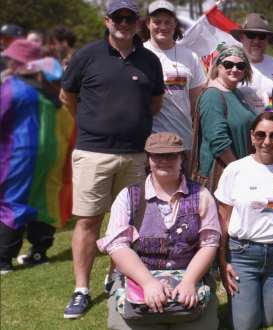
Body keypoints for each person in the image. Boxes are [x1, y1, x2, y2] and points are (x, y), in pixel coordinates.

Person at [60, 0, 165, 318]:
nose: (123, 22)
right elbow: (68, 96)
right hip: (93, 152)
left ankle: (115, 276)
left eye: (129, 18)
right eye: (117, 17)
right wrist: (94, 124)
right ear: (107, 21)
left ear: (138, 24)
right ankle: (81, 289)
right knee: (89, 220)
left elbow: (155, 102)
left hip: (134, 154)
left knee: (129, 223)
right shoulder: (86, 55)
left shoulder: (149, 60)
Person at [97, 132, 221, 330]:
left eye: (171, 155)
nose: (164, 161)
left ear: (182, 157)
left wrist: (189, 281)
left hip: (188, 279)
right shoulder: (128, 196)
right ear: (148, 159)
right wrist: (148, 283)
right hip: (138, 279)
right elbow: (118, 246)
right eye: (157, 155)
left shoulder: (201, 194)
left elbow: (208, 243)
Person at [215, 112, 273, 329]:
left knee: (272, 321)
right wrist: (222, 260)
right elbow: (223, 219)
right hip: (243, 255)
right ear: (252, 136)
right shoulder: (235, 170)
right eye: (261, 135)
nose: (267, 141)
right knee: (246, 325)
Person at [0, 42, 75, 274]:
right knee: (45, 201)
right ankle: (39, 252)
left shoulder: (11, 87)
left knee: (11, 203)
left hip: (18, 157)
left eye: (12, 60)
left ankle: (3, 260)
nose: (8, 63)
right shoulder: (52, 91)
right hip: (52, 155)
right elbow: (69, 122)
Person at [138, 0, 207, 157]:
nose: (163, 26)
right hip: (146, 143)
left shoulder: (190, 57)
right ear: (148, 23)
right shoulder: (137, 55)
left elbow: (194, 105)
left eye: (168, 22)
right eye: (157, 22)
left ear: (175, 24)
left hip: (183, 142)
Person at [196, 45, 256, 193]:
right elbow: (218, 141)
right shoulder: (213, 95)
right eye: (229, 65)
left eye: (240, 65)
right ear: (219, 67)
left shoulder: (235, 92)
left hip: (237, 172)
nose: (235, 69)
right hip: (222, 176)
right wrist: (239, 171)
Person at [230, 13, 273, 113]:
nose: (256, 40)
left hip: (272, 127)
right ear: (242, 38)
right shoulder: (230, 66)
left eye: (262, 36)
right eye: (251, 35)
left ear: (267, 39)